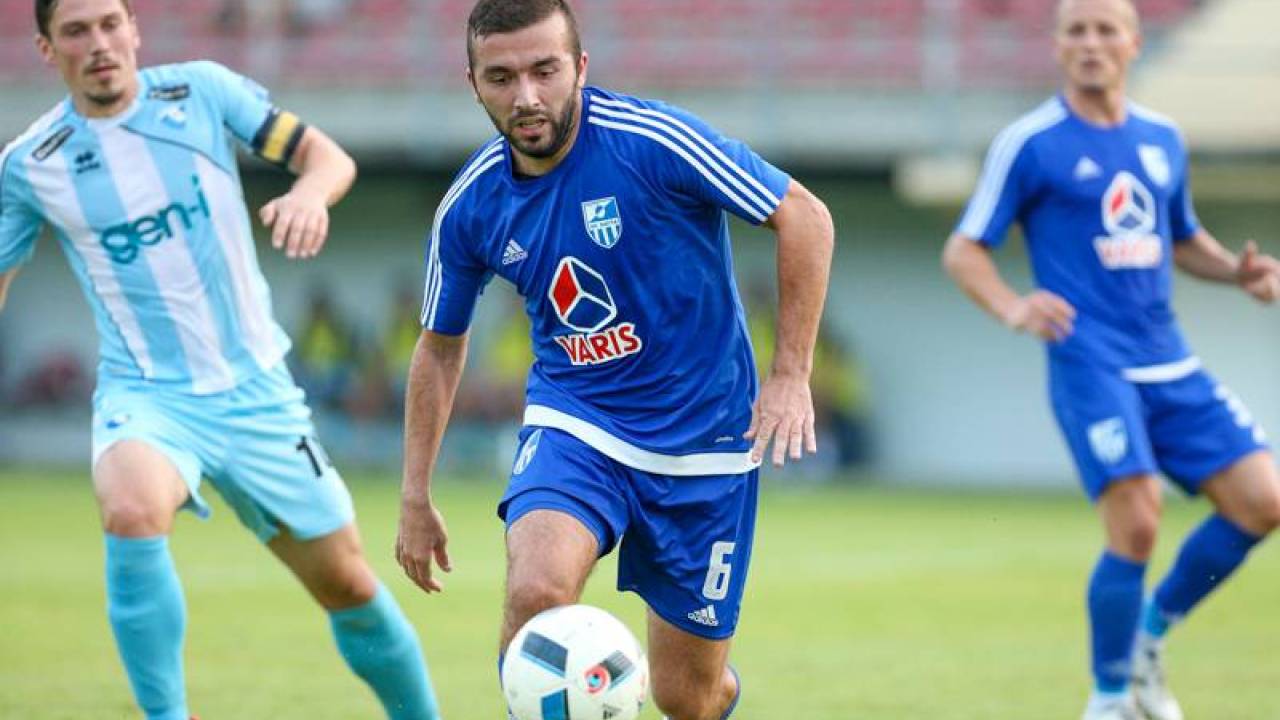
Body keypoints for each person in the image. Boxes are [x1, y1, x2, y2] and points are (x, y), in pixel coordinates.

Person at [393, 1, 833, 718]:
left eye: (544, 71)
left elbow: (805, 216)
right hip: (579, 422)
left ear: (580, 67)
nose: (526, 96)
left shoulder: (652, 141)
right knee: (535, 594)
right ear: (473, 84)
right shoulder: (470, 206)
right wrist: (415, 493)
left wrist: (790, 375)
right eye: (501, 77)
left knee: (686, 697)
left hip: (706, 441)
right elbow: (439, 346)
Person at [0, 2, 440, 718]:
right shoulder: (30, 165)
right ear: (48, 49)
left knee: (349, 586)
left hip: (258, 394)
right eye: (76, 30)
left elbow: (328, 159)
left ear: (134, 28)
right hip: (148, 396)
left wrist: (309, 194)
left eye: (110, 22)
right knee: (131, 509)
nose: (99, 42)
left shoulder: (202, 91)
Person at [941, 1, 1280, 719]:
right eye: (1077, 30)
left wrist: (1236, 271)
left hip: (1168, 359)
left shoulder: (1162, 138)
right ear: (1058, 46)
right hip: (1089, 361)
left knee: (1263, 502)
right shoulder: (1030, 143)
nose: (1091, 43)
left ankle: (1149, 639)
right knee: (1138, 520)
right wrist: (1014, 307)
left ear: (1134, 43)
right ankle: (1108, 699)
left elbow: (1179, 237)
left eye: (1105, 30)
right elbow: (964, 249)